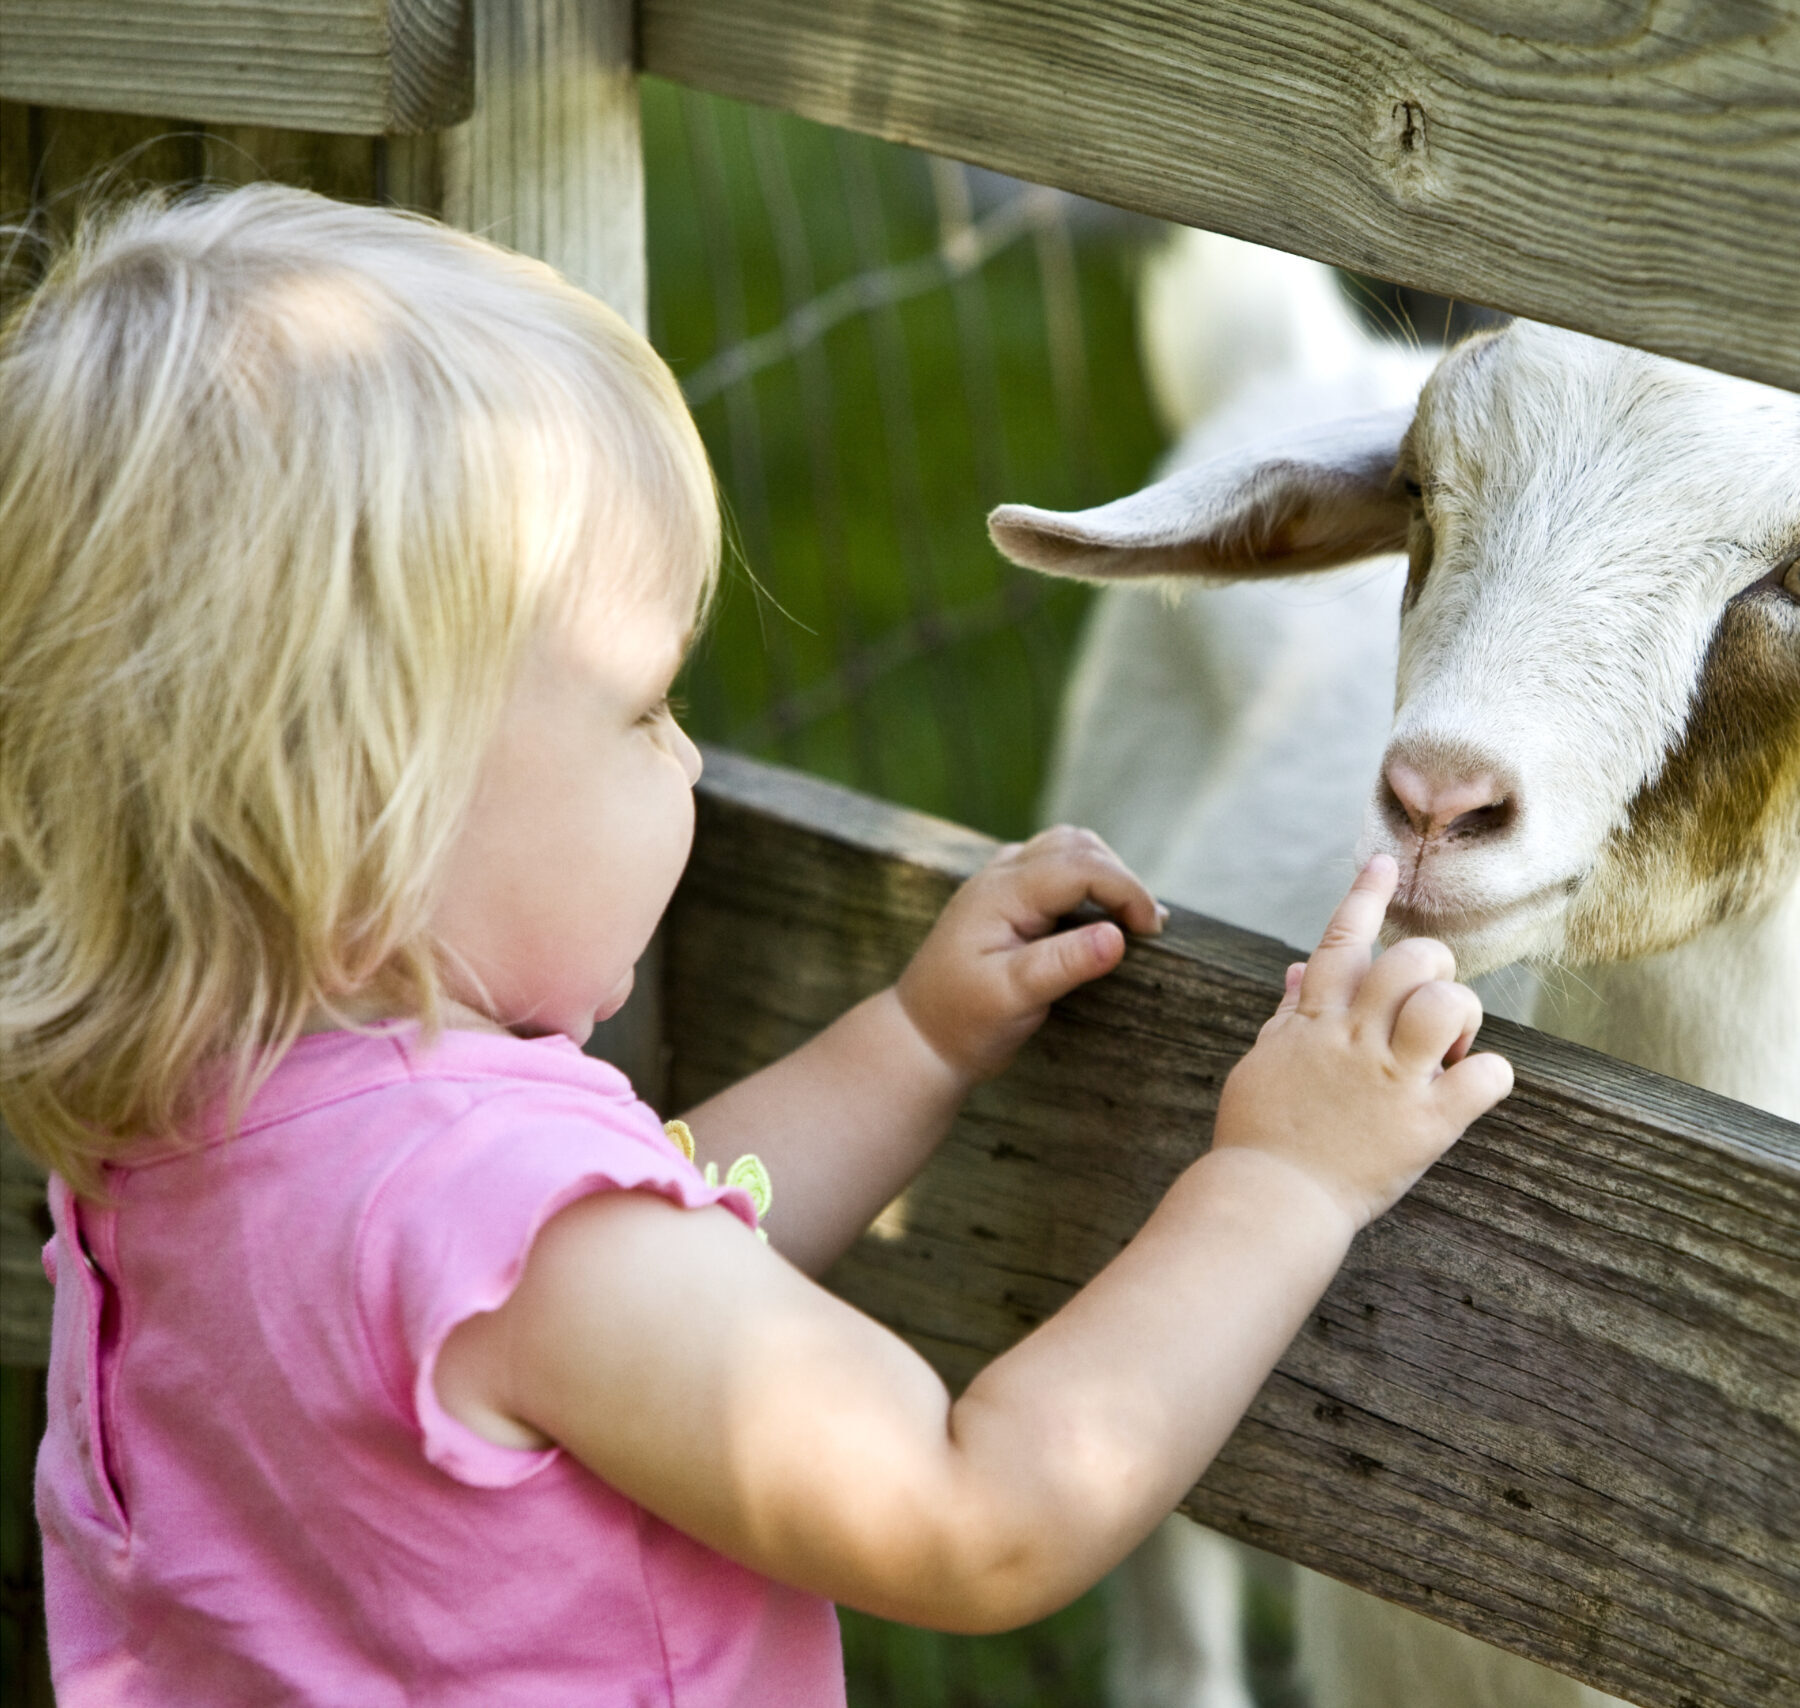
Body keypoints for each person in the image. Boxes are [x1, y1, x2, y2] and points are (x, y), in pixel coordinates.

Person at [0, 185, 1512, 1705]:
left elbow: (645, 1283)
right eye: (645, 704)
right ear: (368, 806)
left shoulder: (196, 1143)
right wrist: (1282, 1181)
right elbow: (974, 1515)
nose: (688, 762)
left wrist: (909, 1047)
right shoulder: (508, 1238)